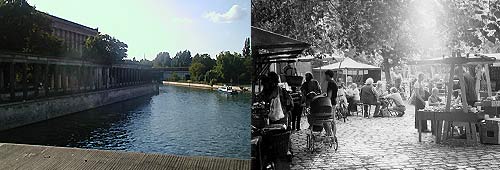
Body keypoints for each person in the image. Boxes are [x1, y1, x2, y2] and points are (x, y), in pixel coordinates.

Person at [323, 70, 338, 136]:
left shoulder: (330, 83)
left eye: (325, 75)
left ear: (328, 75)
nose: (325, 77)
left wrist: (325, 100)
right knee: (332, 119)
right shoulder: (334, 82)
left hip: (330, 103)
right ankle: (333, 135)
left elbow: (329, 95)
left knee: (327, 120)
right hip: (334, 102)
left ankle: (329, 134)